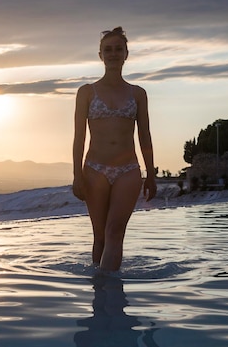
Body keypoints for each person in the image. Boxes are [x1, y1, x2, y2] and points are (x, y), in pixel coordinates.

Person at [72, 26, 157, 272]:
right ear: (100, 55)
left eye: (118, 49)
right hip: (94, 169)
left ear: (126, 54)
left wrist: (150, 174)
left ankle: (110, 289)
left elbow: (144, 135)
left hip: (128, 170)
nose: (113, 54)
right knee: (100, 236)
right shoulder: (87, 92)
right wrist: (77, 175)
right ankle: (101, 301)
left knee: (115, 231)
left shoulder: (138, 94)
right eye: (107, 50)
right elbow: (79, 137)